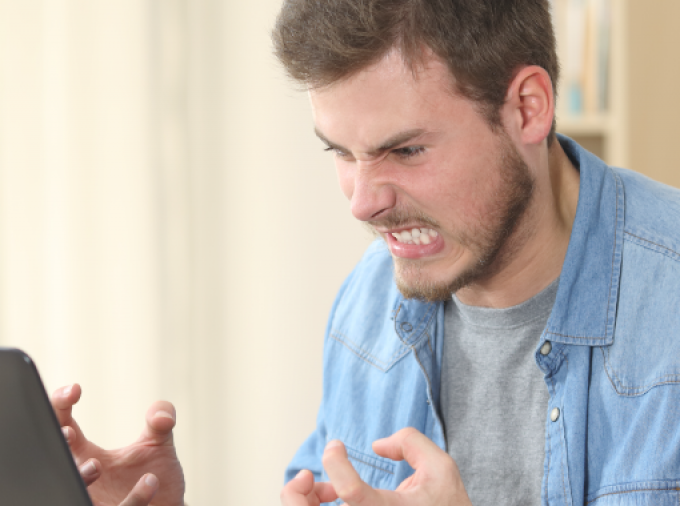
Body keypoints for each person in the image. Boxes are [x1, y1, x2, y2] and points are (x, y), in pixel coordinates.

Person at [51, 0, 680, 505]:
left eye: (406, 151)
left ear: (526, 108)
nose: (363, 203)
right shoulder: (371, 296)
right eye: (341, 154)